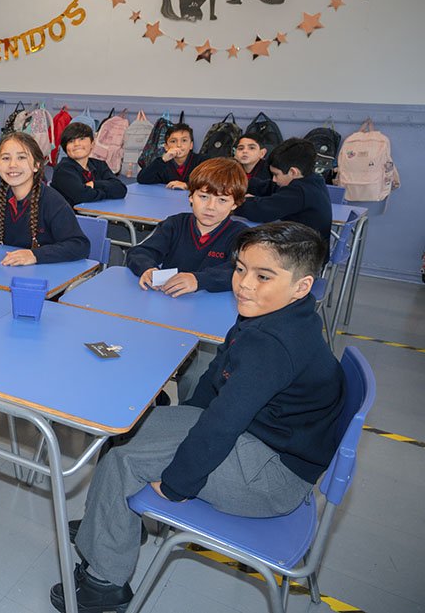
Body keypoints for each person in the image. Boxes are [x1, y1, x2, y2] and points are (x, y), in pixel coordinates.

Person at [53, 221, 344, 613]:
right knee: (126, 430)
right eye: (240, 269)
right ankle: (107, 527)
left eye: (263, 276)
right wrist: (177, 422)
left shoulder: (273, 345)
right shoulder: (277, 313)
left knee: (124, 460)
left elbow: (223, 424)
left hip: (270, 474)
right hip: (260, 438)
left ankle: (104, 583)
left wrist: (176, 484)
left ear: (301, 286)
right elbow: (217, 379)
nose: (244, 284)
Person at [126, 157, 249, 296]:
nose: (211, 207)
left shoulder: (240, 235)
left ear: (234, 204)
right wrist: (147, 269)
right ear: (191, 196)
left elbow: (242, 271)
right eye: (203, 197)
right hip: (170, 301)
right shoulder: (175, 224)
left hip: (211, 309)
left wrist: (198, 280)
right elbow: (138, 252)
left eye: (222, 200)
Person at [0, 132, 89, 264]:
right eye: (6, 158)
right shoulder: (1, 199)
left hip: (48, 276)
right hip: (11, 272)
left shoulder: (52, 202)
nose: (12, 164)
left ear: (36, 165)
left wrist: (35, 255)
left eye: (21, 158)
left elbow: (80, 246)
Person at [235, 138, 332, 242]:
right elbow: (269, 187)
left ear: (293, 172)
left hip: (305, 253)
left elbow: (261, 211)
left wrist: (233, 202)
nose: (273, 179)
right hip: (306, 245)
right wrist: (240, 184)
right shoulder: (312, 179)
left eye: (276, 174)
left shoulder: (299, 191)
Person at [50, 122, 127, 206]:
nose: (76, 144)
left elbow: (121, 189)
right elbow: (82, 195)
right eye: (71, 141)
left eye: (82, 139)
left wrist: (94, 184)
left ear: (92, 144)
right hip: (74, 217)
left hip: (97, 213)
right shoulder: (63, 170)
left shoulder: (99, 164)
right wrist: (107, 192)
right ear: (65, 147)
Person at [137, 123, 203, 189]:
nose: (179, 145)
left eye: (184, 140)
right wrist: (163, 159)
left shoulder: (201, 161)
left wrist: (187, 185)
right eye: (173, 141)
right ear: (166, 147)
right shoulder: (161, 164)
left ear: (191, 145)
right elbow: (142, 179)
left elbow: (211, 182)